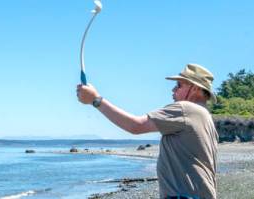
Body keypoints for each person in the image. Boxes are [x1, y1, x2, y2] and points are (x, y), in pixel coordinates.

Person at [77, 63, 218, 199]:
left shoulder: (186, 109)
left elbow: (136, 126)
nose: (173, 90)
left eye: (178, 85)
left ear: (194, 88)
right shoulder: (206, 118)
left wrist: (96, 100)